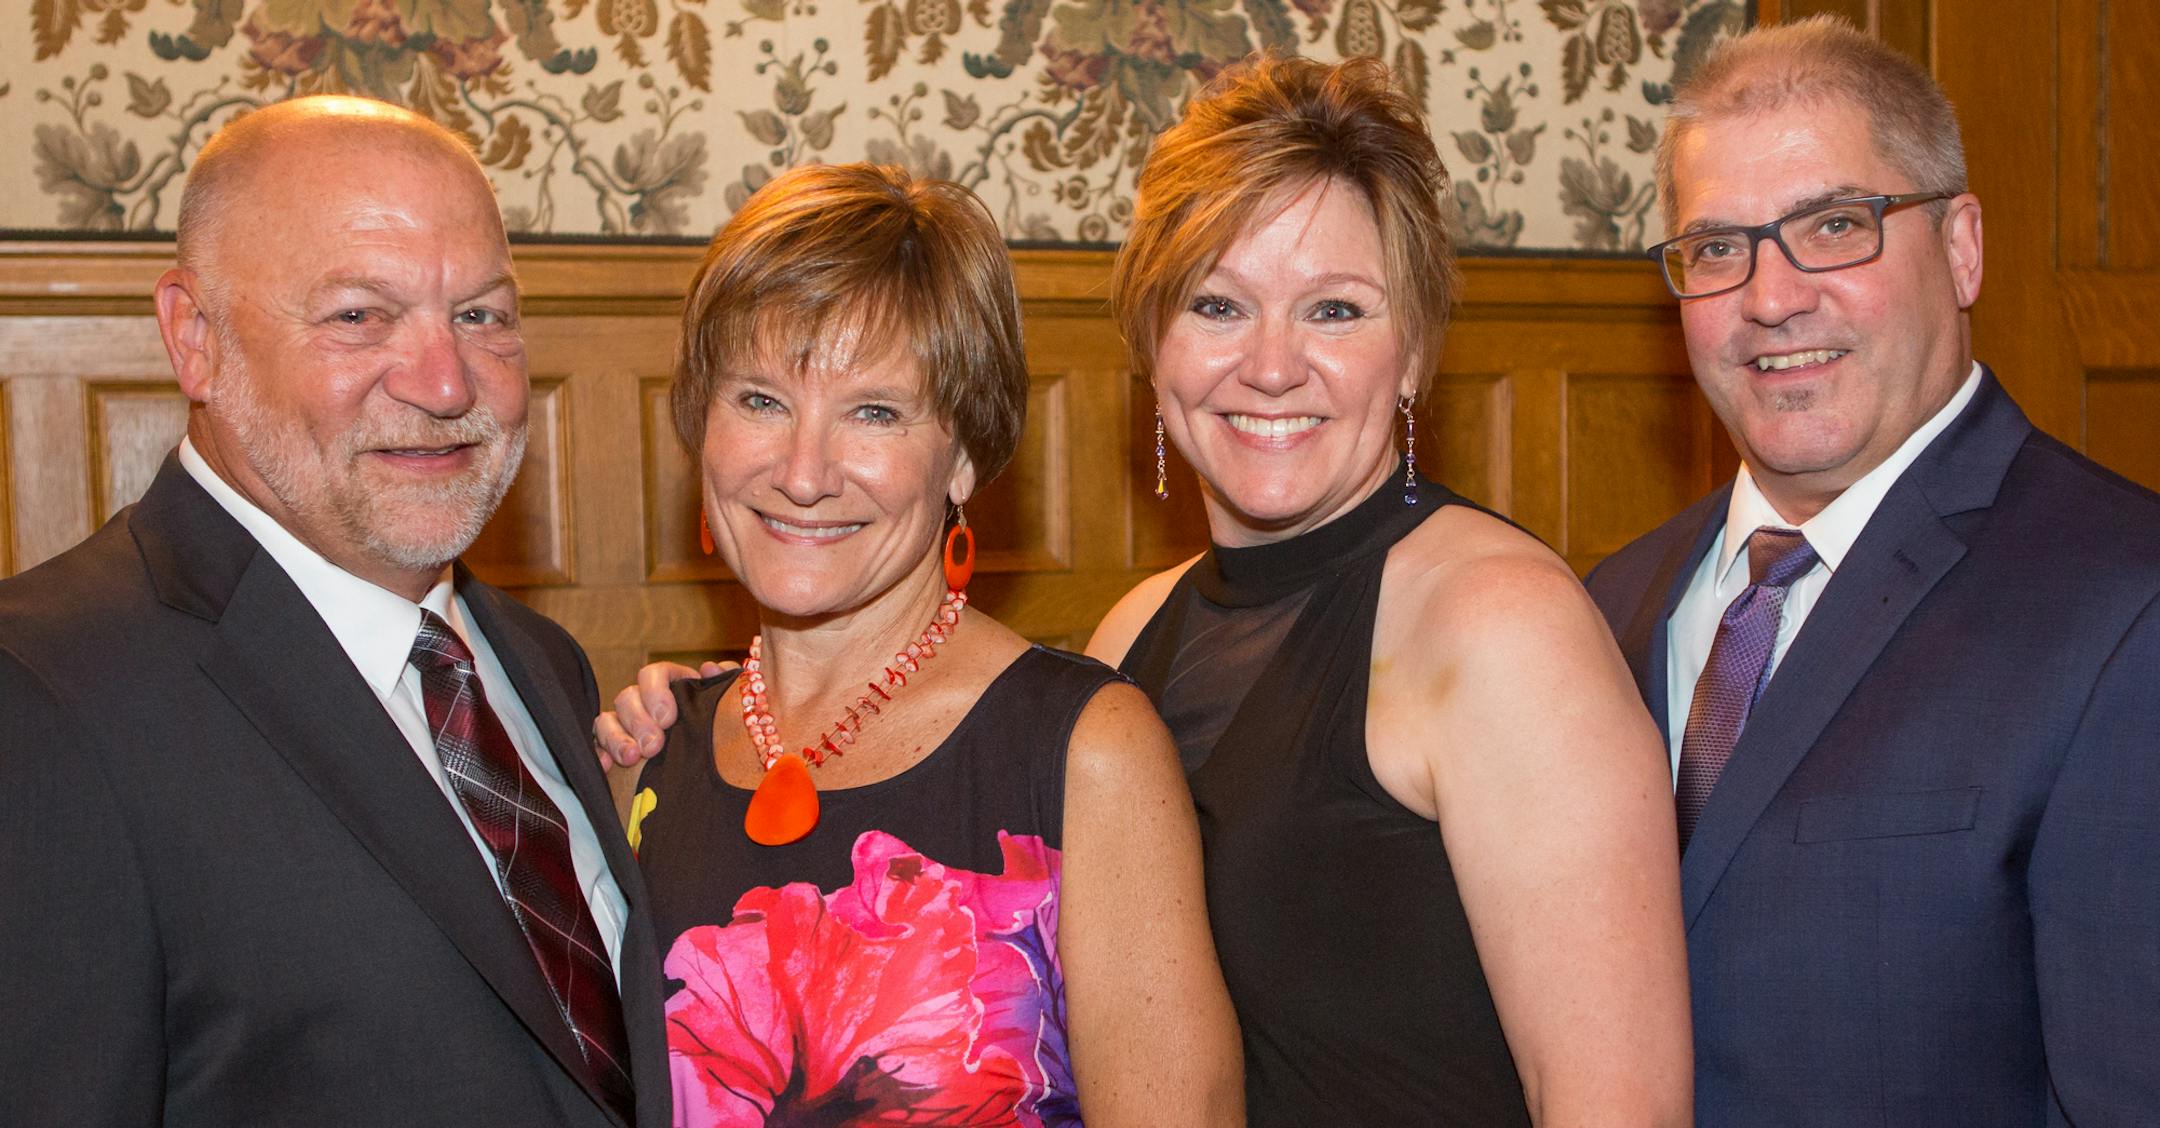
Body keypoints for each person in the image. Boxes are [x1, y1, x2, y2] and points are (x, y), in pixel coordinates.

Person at [607, 56, 1691, 1125]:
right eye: (1218, 306)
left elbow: (1620, 1106)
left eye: (1336, 311)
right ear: (1151, 341)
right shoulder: (1140, 633)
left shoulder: (1502, 626)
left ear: (1412, 353)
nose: (1271, 365)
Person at [0, 97, 670, 1126]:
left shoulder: (539, 664)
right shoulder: (41, 697)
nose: (447, 383)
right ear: (196, 338)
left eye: (483, 315)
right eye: (359, 316)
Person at [1584, 16, 2160, 1124]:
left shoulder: (2126, 607)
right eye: (1717, 248)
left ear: (1961, 248)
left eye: (1834, 226)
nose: (1770, 298)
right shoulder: (1609, 605)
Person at [619, 161, 1242, 1126]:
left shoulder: (1085, 753)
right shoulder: (642, 759)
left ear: (961, 455)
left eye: (874, 412)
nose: (803, 472)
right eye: (759, 400)